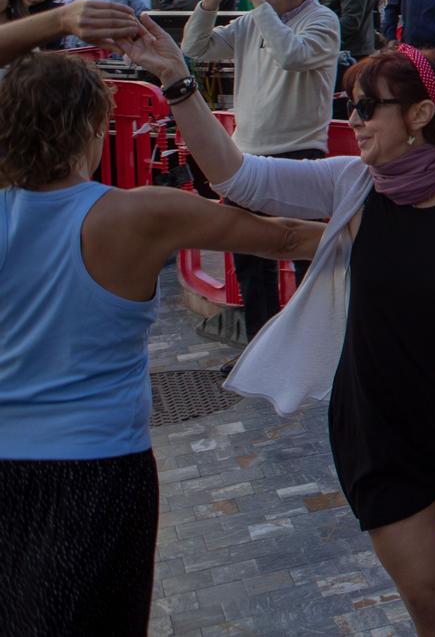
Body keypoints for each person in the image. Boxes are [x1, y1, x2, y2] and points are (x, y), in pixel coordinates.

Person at [122, 22, 435, 632]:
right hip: (376, 417)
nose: (354, 119)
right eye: (350, 105)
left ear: (420, 113)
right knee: (426, 596)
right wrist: (178, 82)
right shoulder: (353, 184)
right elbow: (238, 177)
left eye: (367, 107)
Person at [0, 52, 323, 636]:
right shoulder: (141, 213)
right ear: (95, 127)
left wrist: (47, 26)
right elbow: (288, 237)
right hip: (96, 465)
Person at [180, 0, 340, 339]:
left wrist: (257, 5)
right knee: (250, 264)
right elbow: (194, 49)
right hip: (245, 155)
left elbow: (292, 55)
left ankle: (309, 346)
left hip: (298, 154)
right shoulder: (253, 20)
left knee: (305, 256)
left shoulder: (322, 20)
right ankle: (258, 348)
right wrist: (208, 4)